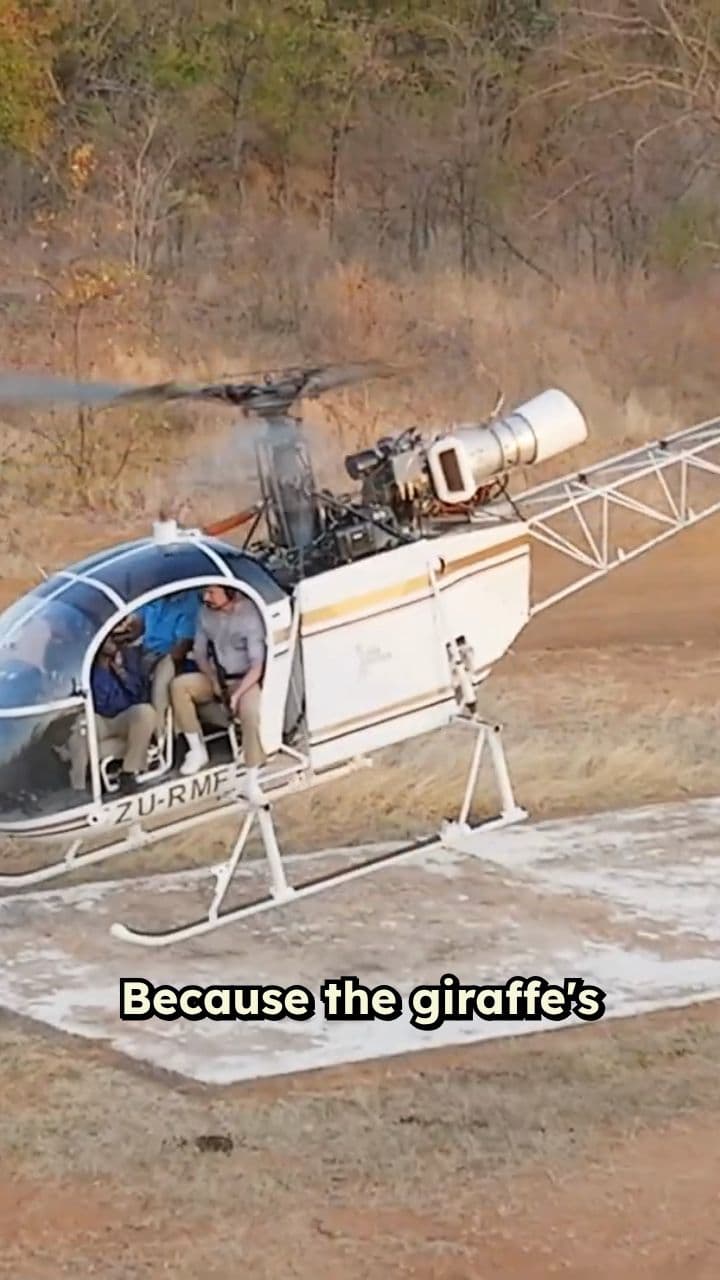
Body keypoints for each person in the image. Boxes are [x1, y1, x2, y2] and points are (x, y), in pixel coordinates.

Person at [170, 585, 266, 797]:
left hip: (244, 680)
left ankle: (252, 776)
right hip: (217, 676)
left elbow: (257, 665)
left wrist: (237, 695)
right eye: (204, 592)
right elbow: (200, 653)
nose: (206, 597)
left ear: (229, 592)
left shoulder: (249, 615)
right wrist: (212, 679)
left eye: (212, 592)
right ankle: (197, 750)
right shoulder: (205, 614)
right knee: (179, 686)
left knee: (250, 713)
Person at [68, 636, 157, 794]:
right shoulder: (89, 668)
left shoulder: (129, 657)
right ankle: (78, 788)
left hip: (125, 717)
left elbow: (139, 694)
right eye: (108, 640)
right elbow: (100, 703)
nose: (113, 643)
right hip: (101, 719)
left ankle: (129, 772)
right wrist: (102, 669)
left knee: (146, 712)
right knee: (82, 726)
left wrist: (121, 673)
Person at [111, 591, 200, 725]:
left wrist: (150, 667)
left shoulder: (189, 602)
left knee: (162, 670)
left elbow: (181, 648)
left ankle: (159, 728)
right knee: (112, 658)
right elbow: (137, 626)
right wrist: (116, 637)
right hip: (144, 650)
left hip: (166, 656)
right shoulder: (155, 593)